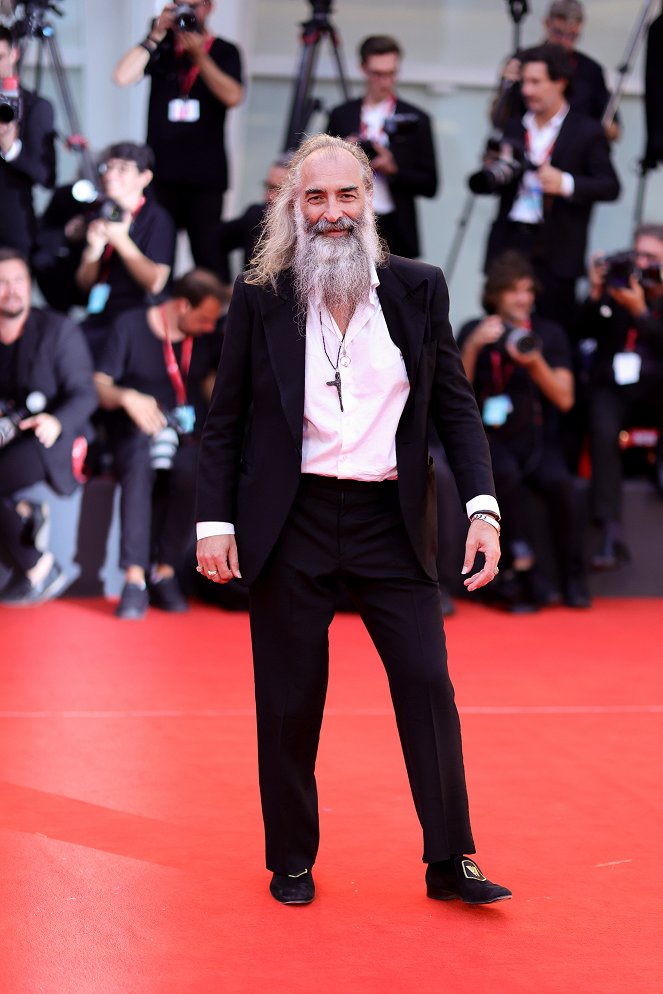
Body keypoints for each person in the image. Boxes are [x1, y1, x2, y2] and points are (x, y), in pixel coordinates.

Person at [195, 134, 511, 907]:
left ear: (368, 199)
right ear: (292, 208)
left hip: (390, 518)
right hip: (289, 518)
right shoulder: (260, 295)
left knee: (426, 683)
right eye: (314, 198)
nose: (330, 213)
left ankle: (450, 857)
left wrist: (481, 507)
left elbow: (455, 410)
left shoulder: (419, 288)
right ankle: (291, 859)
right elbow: (224, 420)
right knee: (290, 697)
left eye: (344, 196)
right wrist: (213, 523)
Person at [458, 251, 590, 610]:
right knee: (504, 476)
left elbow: (564, 399)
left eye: (528, 290)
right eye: (514, 291)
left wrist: (534, 362)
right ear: (495, 296)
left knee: (563, 484)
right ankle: (520, 575)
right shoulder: (475, 330)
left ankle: (573, 579)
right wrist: (472, 347)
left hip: (538, 437)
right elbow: (456, 399)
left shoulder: (549, 333)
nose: (523, 298)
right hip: (492, 440)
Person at [94, 268, 228, 620]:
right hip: (137, 431)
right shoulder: (130, 326)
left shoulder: (205, 338)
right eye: (203, 319)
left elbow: (214, 386)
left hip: (186, 436)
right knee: (138, 465)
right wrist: (126, 397)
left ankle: (165, 571)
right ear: (182, 305)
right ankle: (134, 578)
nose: (209, 327)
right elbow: (98, 384)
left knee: (196, 467)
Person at [483, 43, 620, 335]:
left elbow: (610, 186)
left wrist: (566, 183)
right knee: (499, 328)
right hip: (511, 239)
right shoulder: (513, 125)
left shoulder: (586, 130)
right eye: (525, 82)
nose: (527, 91)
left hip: (557, 248)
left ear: (560, 82)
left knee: (554, 330)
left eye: (536, 82)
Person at [112, 1, 244, 276]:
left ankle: (217, 318)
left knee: (209, 257)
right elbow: (122, 77)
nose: (187, 13)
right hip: (161, 173)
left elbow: (233, 96)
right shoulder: (162, 48)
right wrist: (155, 35)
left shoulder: (224, 51)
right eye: (180, 5)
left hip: (204, 176)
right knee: (158, 254)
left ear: (208, 8)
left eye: (193, 6)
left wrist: (200, 57)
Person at [0, 248, 97, 606]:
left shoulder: (57, 330)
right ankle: (23, 516)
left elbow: (85, 394)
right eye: (2, 283)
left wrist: (57, 420)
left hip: (49, 437)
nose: (11, 290)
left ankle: (41, 568)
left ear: (29, 285)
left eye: (18, 281)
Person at [578, 224, 663, 569]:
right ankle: (609, 529)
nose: (641, 264)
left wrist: (642, 312)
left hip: (656, 389)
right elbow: (580, 332)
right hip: (614, 389)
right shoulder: (617, 289)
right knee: (601, 417)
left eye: (651, 257)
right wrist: (597, 294)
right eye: (638, 254)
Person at [326, 35, 438, 259]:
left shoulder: (416, 118)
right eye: (377, 74)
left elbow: (430, 184)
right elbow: (322, 169)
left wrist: (393, 169)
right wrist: (345, 156)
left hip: (394, 225)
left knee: (394, 291)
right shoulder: (342, 115)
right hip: (346, 223)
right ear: (363, 69)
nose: (385, 82)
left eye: (391, 74)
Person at [76, 142, 176, 362]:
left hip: (140, 317)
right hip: (102, 313)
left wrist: (120, 239)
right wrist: (93, 250)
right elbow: (84, 284)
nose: (110, 175)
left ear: (144, 178)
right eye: (107, 168)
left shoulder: (157, 219)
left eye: (122, 169)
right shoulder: (102, 213)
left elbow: (155, 282)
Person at [492, 0, 619, 141]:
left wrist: (592, 131)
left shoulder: (591, 71)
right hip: (526, 149)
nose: (565, 41)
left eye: (572, 36)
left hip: (574, 155)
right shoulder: (522, 61)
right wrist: (506, 86)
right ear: (547, 24)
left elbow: (613, 129)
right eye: (558, 33)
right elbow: (498, 119)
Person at [0, 26, 56, 258]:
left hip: (13, 225)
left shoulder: (35, 107)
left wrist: (11, 148)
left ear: (15, 54)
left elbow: (46, 176)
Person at [219, 156, 290, 274]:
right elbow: (214, 238)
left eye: (279, 189)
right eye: (269, 187)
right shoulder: (256, 216)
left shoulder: (311, 229)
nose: (270, 196)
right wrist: (224, 284)